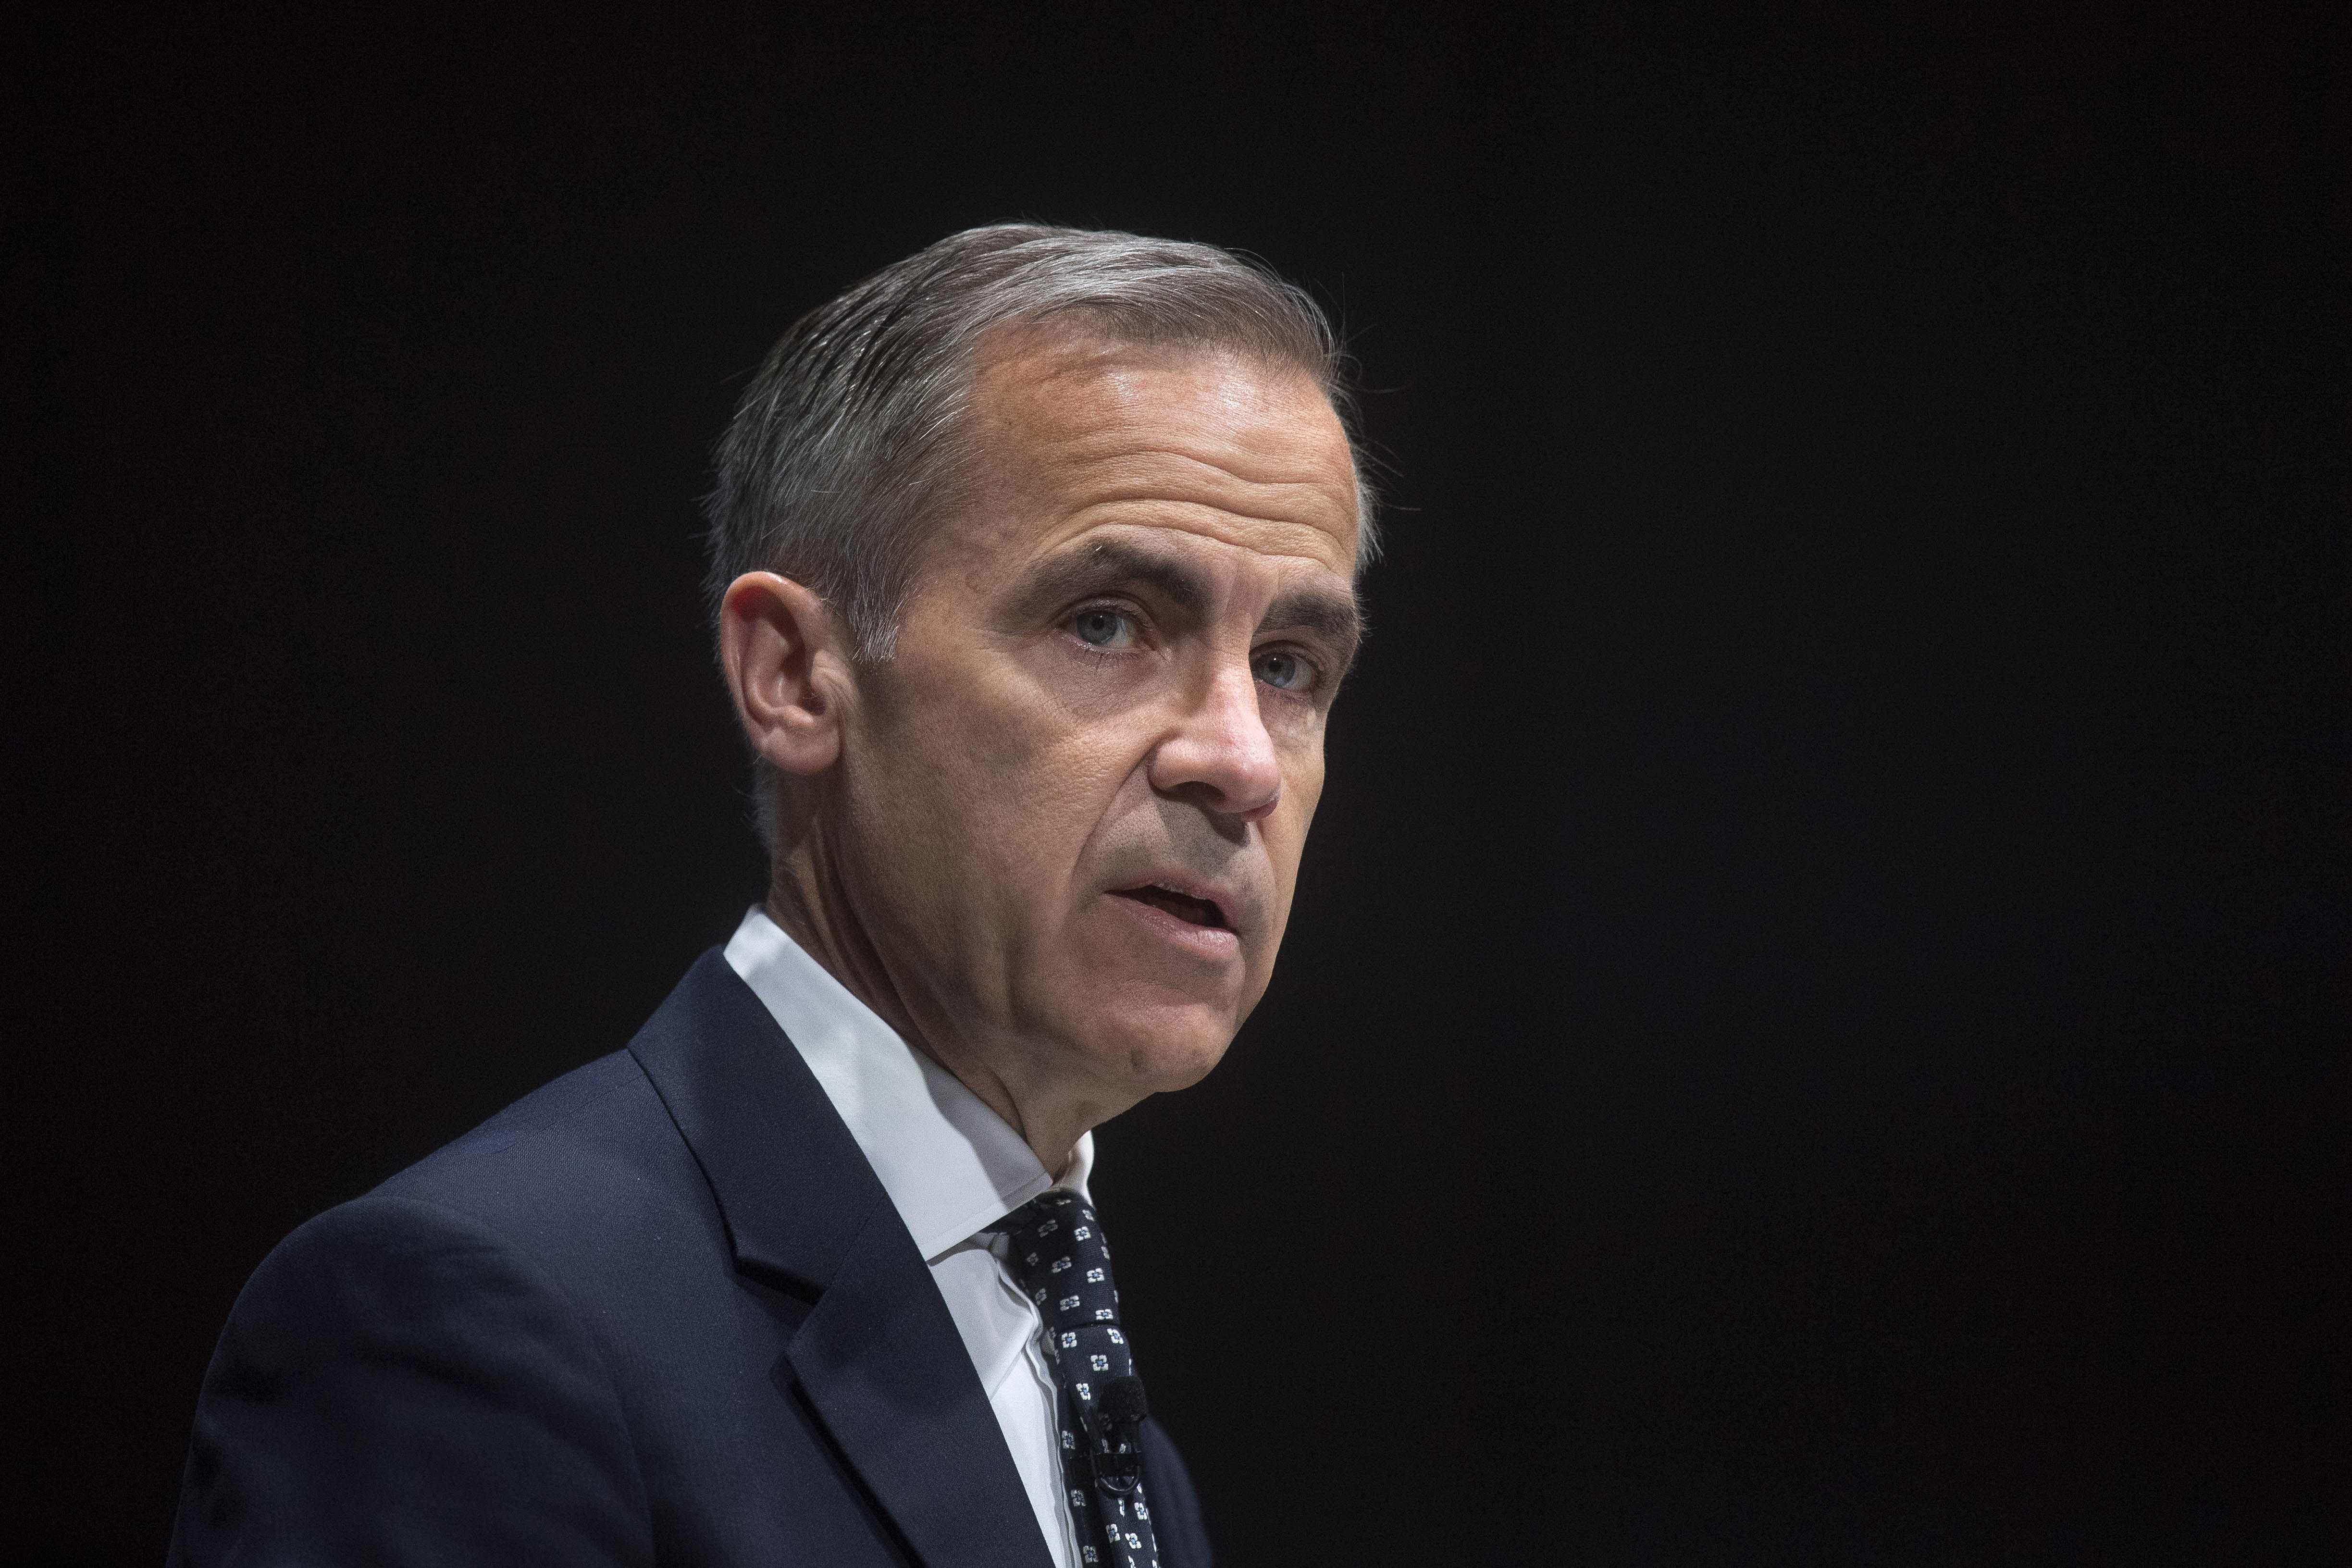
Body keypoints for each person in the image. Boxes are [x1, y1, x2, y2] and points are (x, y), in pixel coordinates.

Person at [168, 223, 1376, 1568]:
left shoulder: (1120, 1452)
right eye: (1106, 623)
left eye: (1289, 664)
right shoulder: (462, 1323)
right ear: (795, 676)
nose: (1240, 761)